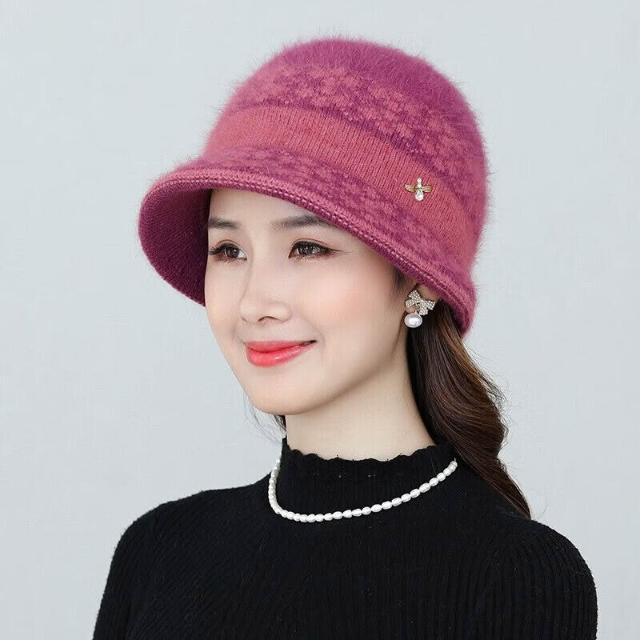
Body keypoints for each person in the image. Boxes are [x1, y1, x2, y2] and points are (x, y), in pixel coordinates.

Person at [92, 35, 598, 639]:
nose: (254, 302)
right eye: (228, 250)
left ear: (419, 278)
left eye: (308, 247)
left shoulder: (516, 577)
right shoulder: (158, 552)